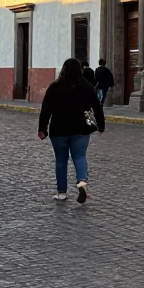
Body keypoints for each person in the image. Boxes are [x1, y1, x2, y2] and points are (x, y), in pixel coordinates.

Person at [38, 58, 105, 203]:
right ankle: (82, 183)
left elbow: (46, 109)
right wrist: (101, 125)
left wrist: (42, 128)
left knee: (61, 160)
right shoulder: (87, 86)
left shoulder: (55, 87)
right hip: (81, 128)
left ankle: (62, 193)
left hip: (59, 129)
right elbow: (97, 107)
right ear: (79, 70)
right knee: (80, 157)